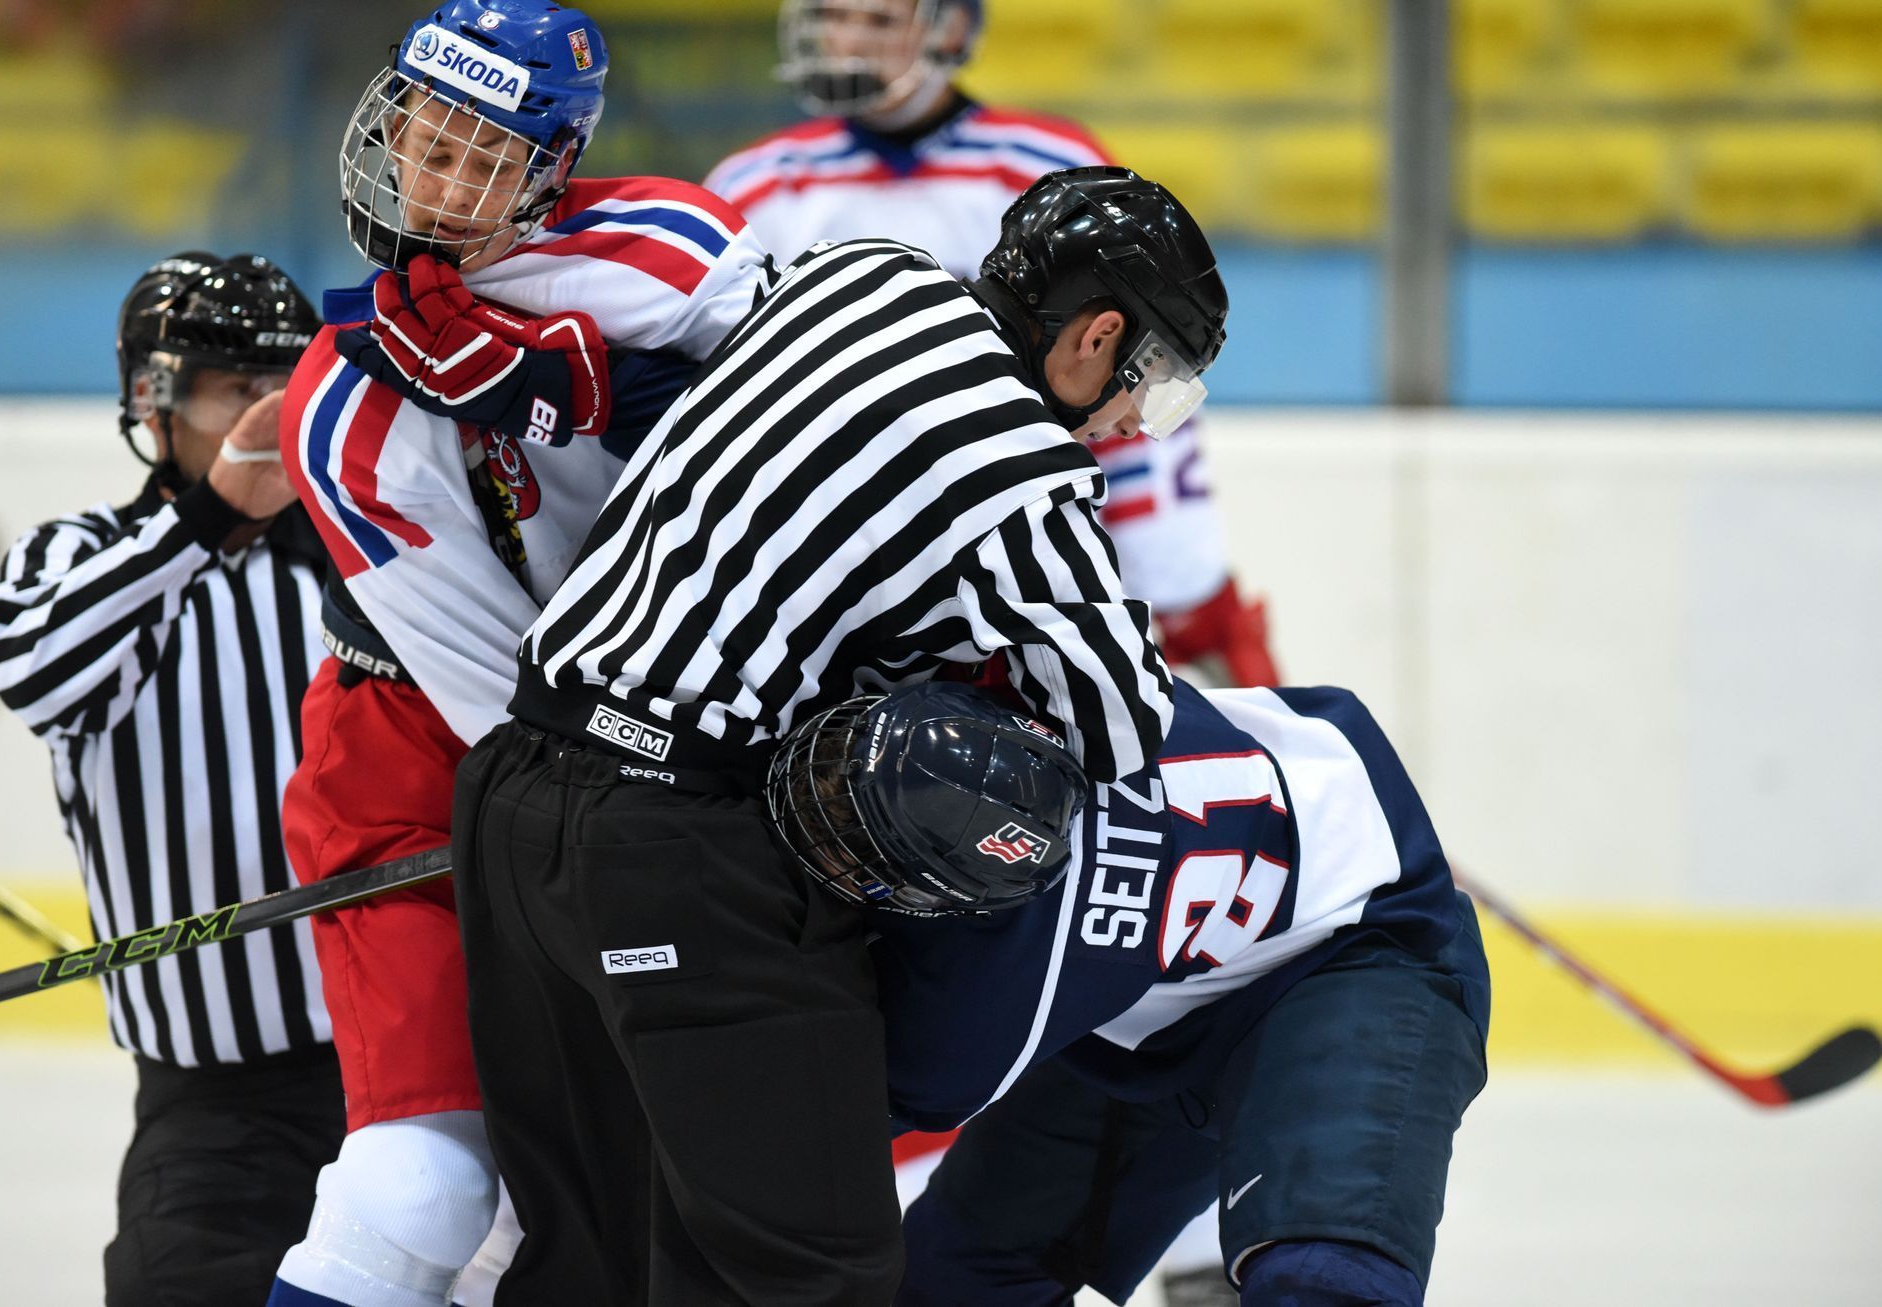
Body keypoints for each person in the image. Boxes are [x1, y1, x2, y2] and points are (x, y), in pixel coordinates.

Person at [450, 163, 1225, 1305]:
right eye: (1147, 383)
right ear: (1098, 335)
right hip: (680, 851)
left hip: (513, 805)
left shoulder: (855, 277)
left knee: (591, 1267)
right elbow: (1120, 720)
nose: (1125, 419)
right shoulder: (1024, 469)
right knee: (819, 1277)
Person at [265, 3, 772, 1303]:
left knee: (636, 1182)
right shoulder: (342, 405)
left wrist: (592, 387)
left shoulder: (677, 254)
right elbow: (513, 706)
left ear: (554, 167)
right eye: (418, 140)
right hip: (411, 758)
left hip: (652, 718)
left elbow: (794, 448)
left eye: (477, 158)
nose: (429, 183)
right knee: (418, 1191)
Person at [764, 675, 1491, 1307]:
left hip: (1363, 948)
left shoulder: (977, 1012)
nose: (825, 828)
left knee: (1322, 1280)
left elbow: (791, 1133)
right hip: (1152, 997)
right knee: (954, 1275)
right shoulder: (1038, 684)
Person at [705, 0, 1282, 689]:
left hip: (1011, 539)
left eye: (880, 22)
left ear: (949, 29)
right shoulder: (752, 186)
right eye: (833, 16)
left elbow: (1124, 382)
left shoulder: (1049, 174)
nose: (848, 42)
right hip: (828, 551)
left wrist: (1180, 582)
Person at [0, 252, 336, 1305]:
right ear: (156, 400)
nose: (273, 411)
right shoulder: (80, 555)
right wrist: (211, 515)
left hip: (423, 1085)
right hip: (219, 1123)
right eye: (239, 387)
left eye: (292, 379)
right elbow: (37, 668)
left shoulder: (377, 553)